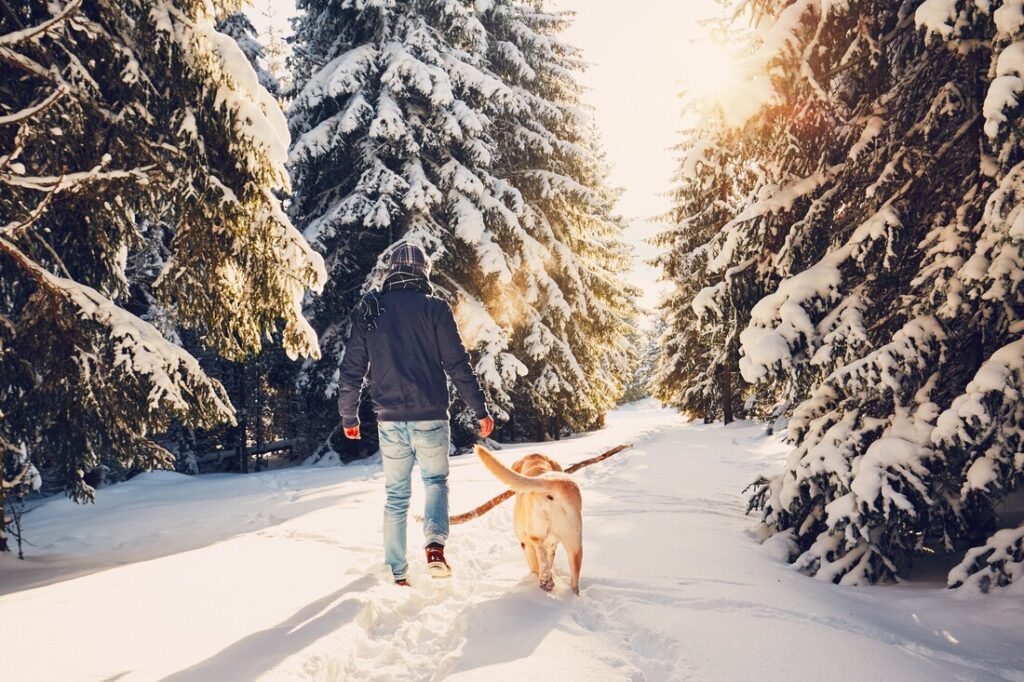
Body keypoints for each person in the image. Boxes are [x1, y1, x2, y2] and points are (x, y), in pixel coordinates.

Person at [337, 242, 495, 586]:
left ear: (391, 271)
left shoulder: (372, 308)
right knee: (435, 482)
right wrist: (479, 409)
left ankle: (397, 572)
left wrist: (349, 417)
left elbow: (352, 369)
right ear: (423, 272)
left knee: (396, 494)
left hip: (389, 420)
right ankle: (435, 547)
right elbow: (457, 364)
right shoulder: (435, 309)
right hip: (431, 417)